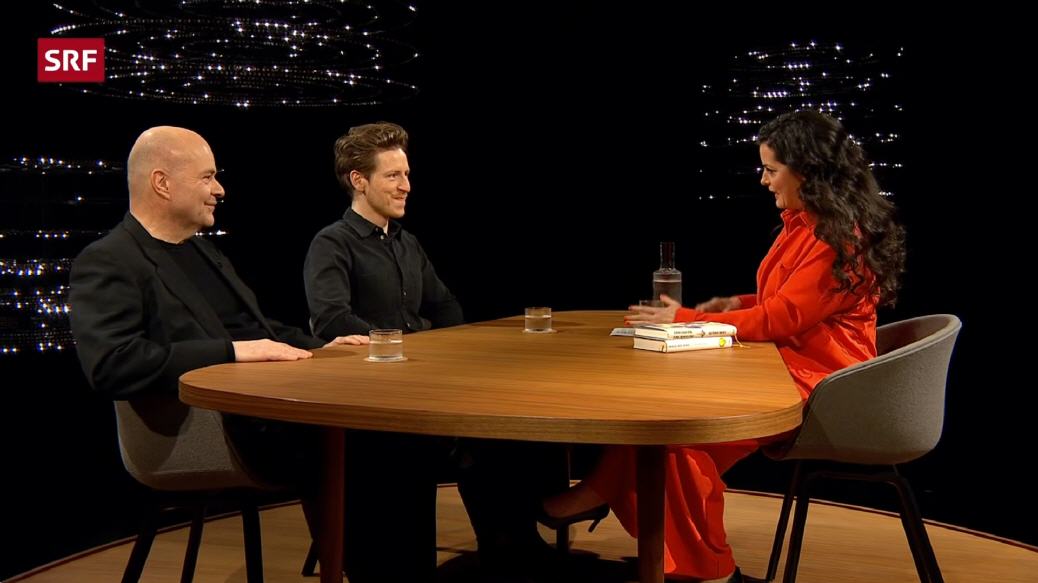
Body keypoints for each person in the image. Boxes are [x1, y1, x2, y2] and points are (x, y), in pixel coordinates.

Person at [539, 110, 906, 582]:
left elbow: (782, 318)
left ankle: (708, 570)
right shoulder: (806, 223)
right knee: (661, 417)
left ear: (807, 171)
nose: (763, 180)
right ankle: (603, 498)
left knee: (678, 432)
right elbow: (789, 301)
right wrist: (735, 303)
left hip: (822, 388)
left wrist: (688, 319)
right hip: (788, 368)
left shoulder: (838, 239)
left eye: (771, 169)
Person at [68, 127, 372, 574]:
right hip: (200, 430)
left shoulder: (204, 252)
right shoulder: (109, 259)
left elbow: (262, 331)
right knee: (361, 439)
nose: (220, 190)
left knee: (382, 430)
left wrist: (321, 346)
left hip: (263, 412)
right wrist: (230, 352)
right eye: (207, 177)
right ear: (162, 183)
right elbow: (113, 364)